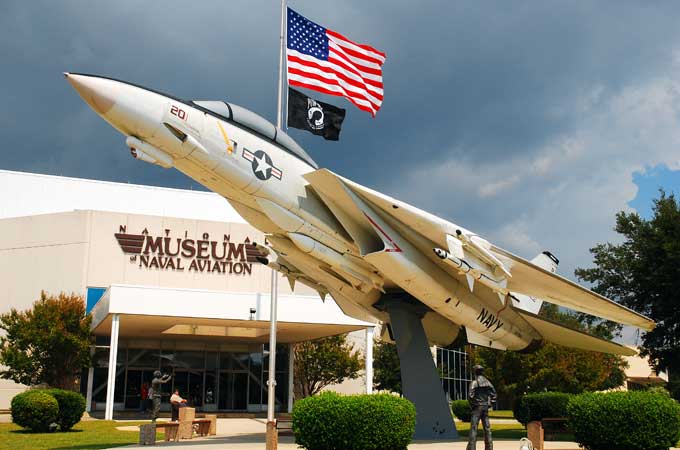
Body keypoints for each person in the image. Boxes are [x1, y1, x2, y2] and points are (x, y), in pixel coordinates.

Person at [467, 364, 496, 450]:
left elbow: (470, 396)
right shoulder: (488, 382)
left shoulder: (474, 383)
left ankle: (471, 448)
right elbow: (494, 394)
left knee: (474, 428)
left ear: (475, 372)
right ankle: (489, 448)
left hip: (477, 407)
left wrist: (473, 405)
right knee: (487, 428)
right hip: (485, 407)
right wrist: (489, 404)